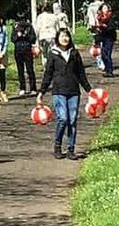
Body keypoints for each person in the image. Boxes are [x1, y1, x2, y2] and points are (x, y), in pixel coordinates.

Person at [37, 26, 91, 160]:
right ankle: (57, 145)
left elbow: (81, 74)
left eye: (67, 36)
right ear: (57, 38)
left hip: (73, 91)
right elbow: (48, 74)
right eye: (62, 36)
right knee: (63, 118)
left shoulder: (74, 53)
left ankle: (71, 149)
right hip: (59, 91)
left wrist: (89, 90)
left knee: (72, 120)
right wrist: (41, 92)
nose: (65, 38)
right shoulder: (53, 54)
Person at [12, 13, 38, 96]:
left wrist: (26, 35)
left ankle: (33, 88)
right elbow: (12, 39)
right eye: (20, 19)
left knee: (30, 69)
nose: (21, 22)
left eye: (23, 19)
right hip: (18, 49)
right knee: (20, 70)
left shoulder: (29, 27)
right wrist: (18, 36)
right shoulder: (15, 27)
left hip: (27, 49)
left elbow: (33, 39)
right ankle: (22, 88)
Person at [97, 2, 117, 77]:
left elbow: (112, 27)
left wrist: (105, 27)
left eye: (106, 8)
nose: (105, 10)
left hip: (110, 37)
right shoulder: (99, 17)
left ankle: (110, 70)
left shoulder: (111, 17)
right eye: (103, 8)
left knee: (107, 54)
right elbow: (99, 29)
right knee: (103, 54)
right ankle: (107, 69)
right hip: (103, 37)